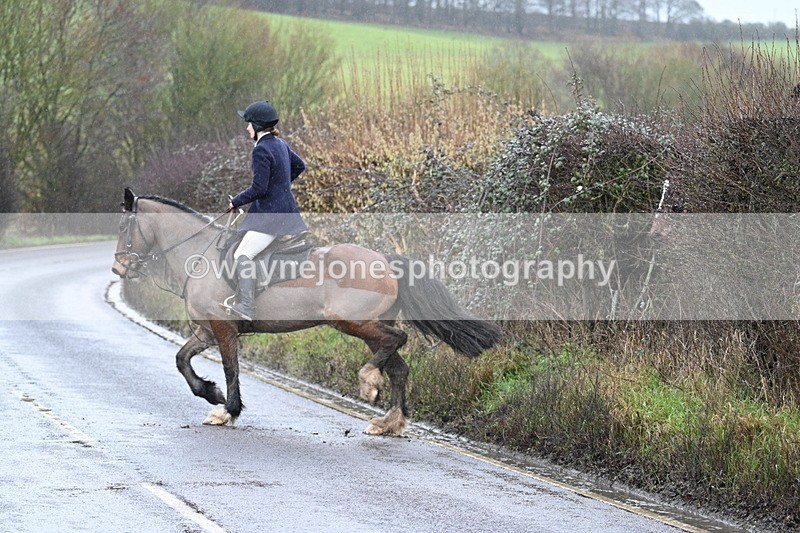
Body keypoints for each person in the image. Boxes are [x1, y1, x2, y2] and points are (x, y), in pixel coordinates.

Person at [225, 100, 307, 321]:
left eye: (248, 123)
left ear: (258, 126)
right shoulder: (280, 143)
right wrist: (280, 187)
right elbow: (299, 165)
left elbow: (258, 188)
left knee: (241, 254)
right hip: (286, 212)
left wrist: (236, 202)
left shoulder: (261, 150)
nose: (247, 128)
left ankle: (247, 306)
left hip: (271, 218)